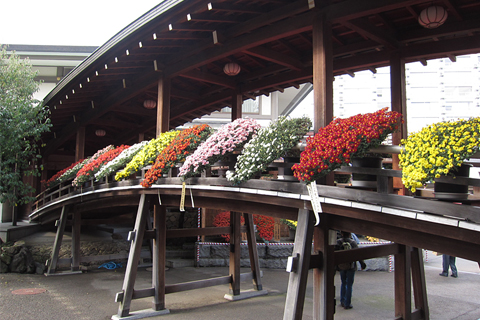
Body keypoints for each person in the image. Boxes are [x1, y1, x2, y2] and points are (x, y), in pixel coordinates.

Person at [335, 231, 366, 310]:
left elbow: (334, 254)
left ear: (341, 234)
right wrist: (362, 264)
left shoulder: (338, 242)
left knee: (343, 283)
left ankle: (342, 300)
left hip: (341, 266)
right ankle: (347, 304)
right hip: (351, 266)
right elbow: (358, 254)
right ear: (350, 234)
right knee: (349, 285)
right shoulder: (353, 243)